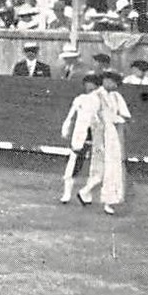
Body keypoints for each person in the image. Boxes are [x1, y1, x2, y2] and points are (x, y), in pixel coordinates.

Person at [77, 70, 130, 214]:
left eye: (115, 82)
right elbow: (91, 118)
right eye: (111, 81)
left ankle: (85, 192)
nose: (114, 84)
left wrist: (116, 120)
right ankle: (108, 202)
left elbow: (125, 114)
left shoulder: (116, 96)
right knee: (107, 169)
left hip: (113, 135)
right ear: (105, 81)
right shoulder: (95, 97)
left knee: (106, 170)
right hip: (101, 136)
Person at [59, 73, 101, 203]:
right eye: (87, 84)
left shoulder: (102, 100)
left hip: (97, 135)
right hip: (81, 135)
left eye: (92, 84)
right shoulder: (80, 99)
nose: (89, 86)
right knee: (74, 163)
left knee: (98, 168)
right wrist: (65, 127)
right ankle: (67, 193)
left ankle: (86, 192)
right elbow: (71, 115)